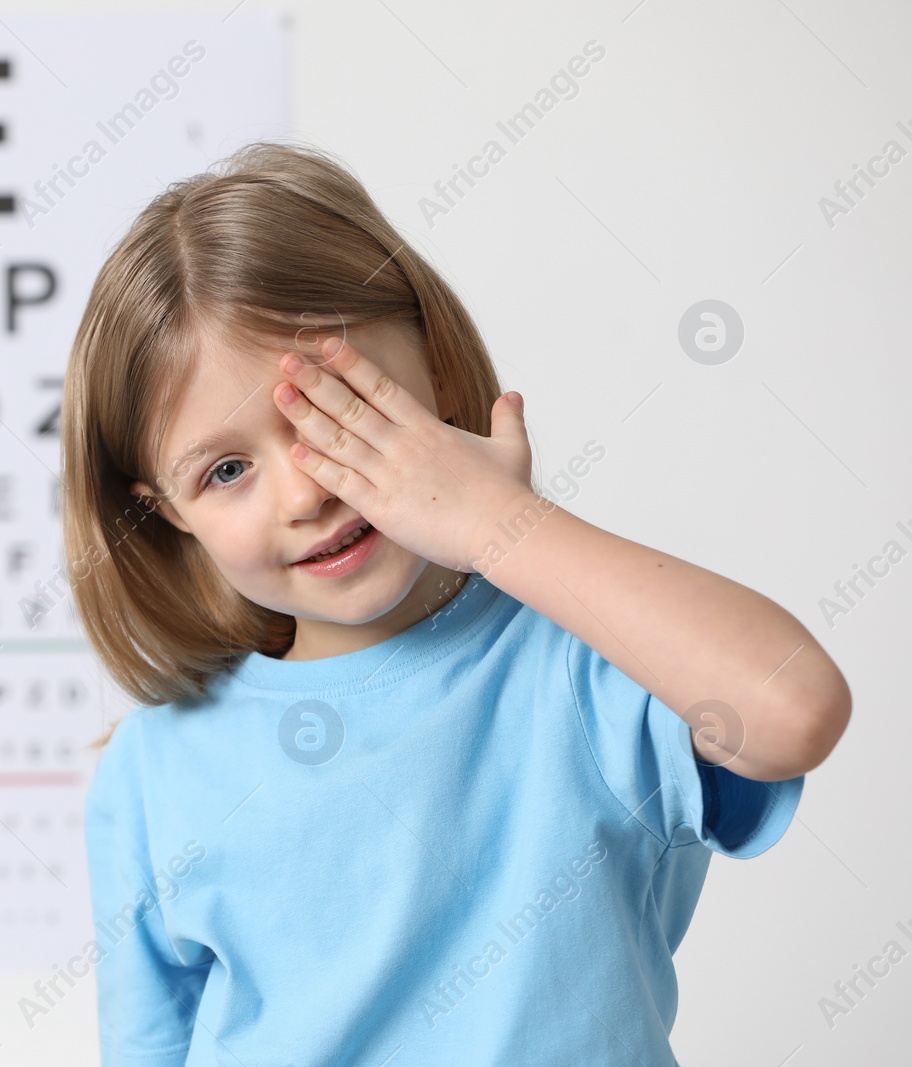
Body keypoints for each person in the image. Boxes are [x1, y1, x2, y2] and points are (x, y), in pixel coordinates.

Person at [59, 140, 851, 1064]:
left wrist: (499, 522)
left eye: (339, 410)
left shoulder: (582, 668)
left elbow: (796, 706)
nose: (305, 492)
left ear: (431, 356)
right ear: (169, 513)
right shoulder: (155, 769)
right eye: (227, 470)